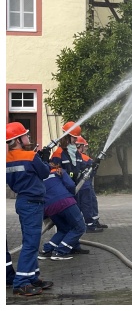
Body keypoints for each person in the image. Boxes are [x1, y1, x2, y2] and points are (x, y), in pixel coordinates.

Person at [6, 122, 53, 297]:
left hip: (23, 201)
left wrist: (37, 158)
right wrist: (43, 159)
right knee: (31, 244)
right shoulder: (30, 157)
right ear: (18, 140)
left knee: (30, 241)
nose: (28, 136)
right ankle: (21, 283)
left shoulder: (7, 159)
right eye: (25, 135)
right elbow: (45, 172)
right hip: (33, 203)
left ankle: (32, 277)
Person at [41, 157, 87, 259]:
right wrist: (71, 196)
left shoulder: (41, 177)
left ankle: (47, 250)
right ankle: (60, 251)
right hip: (65, 202)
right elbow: (70, 185)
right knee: (80, 227)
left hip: (49, 208)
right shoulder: (60, 171)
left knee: (64, 229)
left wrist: (45, 216)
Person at [74, 138, 107, 231]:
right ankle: (90, 225)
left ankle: (95, 221)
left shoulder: (78, 157)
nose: (85, 148)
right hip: (84, 185)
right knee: (86, 204)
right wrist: (95, 164)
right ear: (79, 146)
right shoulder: (84, 158)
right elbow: (92, 172)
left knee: (92, 202)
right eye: (84, 146)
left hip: (85, 184)